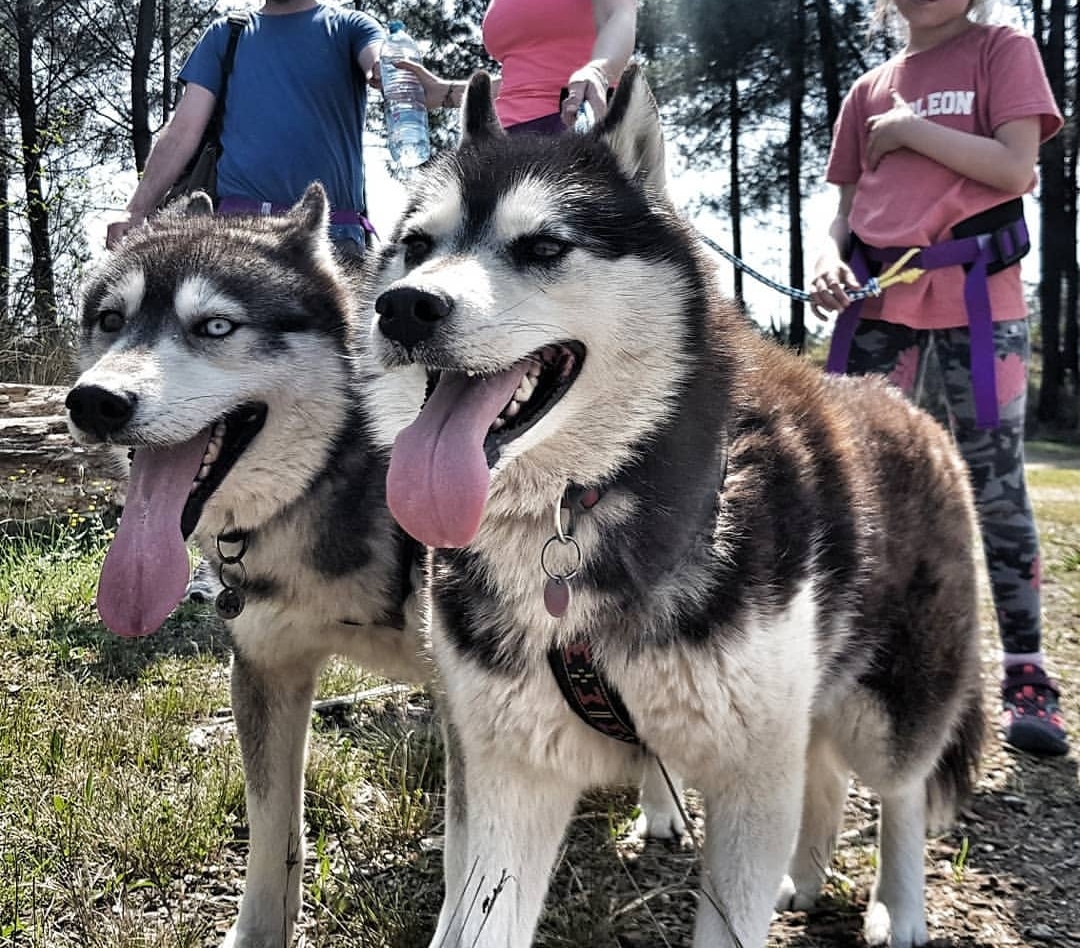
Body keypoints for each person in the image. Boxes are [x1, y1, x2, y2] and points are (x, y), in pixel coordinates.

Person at [809, 0, 1068, 755]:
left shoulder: (1002, 51)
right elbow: (845, 213)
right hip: (879, 312)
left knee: (996, 489)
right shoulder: (867, 89)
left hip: (979, 310)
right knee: (857, 492)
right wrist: (829, 260)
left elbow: (1016, 167)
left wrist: (912, 131)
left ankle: (1027, 677)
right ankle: (849, 666)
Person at [105, 0, 383, 256]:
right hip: (237, 237)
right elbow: (182, 131)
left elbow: (381, 63)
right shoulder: (226, 34)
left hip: (332, 240)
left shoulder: (351, 27)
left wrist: (394, 74)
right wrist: (135, 211)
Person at [388, 0, 637, 135]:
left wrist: (598, 71)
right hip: (501, 139)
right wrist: (446, 92)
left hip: (575, 129)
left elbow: (619, 13)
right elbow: (524, 80)